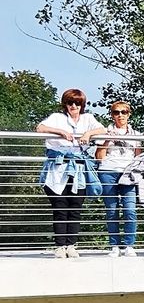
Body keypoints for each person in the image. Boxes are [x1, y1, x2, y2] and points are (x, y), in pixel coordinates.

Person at [36, 88, 108, 258]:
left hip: (79, 170)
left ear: (82, 104)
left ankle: (71, 245)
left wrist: (88, 133)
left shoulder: (88, 118)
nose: (73, 106)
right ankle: (60, 245)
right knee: (60, 207)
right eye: (70, 102)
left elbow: (103, 130)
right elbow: (40, 128)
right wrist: (61, 132)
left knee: (75, 207)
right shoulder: (57, 117)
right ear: (65, 104)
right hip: (58, 168)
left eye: (77, 103)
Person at [95, 101, 143, 257]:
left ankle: (129, 245)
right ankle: (114, 245)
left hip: (128, 174)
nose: (120, 115)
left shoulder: (136, 134)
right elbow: (99, 157)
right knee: (112, 210)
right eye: (116, 112)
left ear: (129, 114)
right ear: (112, 115)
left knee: (130, 210)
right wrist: (107, 140)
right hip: (108, 171)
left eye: (124, 112)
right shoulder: (105, 131)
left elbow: (138, 156)